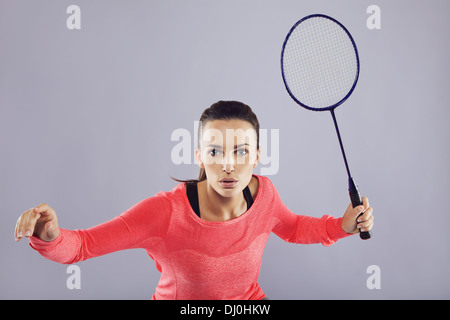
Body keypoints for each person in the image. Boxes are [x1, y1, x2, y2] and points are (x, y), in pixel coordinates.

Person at [14, 100, 374, 300]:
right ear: (199, 156)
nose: (228, 164)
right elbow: (84, 246)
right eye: (215, 151)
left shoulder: (265, 195)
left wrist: (341, 226)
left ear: (258, 156)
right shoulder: (164, 212)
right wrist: (51, 237)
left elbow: (293, 227)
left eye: (241, 152)